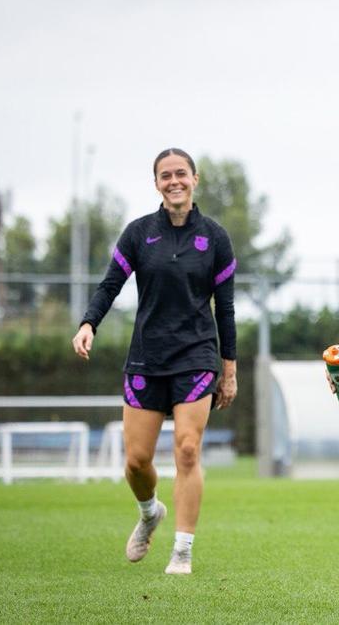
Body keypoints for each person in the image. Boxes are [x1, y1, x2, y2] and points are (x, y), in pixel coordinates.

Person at [72, 148, 238, 576]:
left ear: (195, 179)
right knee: (136, 461)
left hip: (197, 356)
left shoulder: (215, 238)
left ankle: (182, 550)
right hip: (147, 357)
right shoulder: (138, 233)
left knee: (187, 448)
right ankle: (149, 513)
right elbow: (111, 284)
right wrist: (89, 322)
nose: (174, 181)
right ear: (157, 184)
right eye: (165, 176)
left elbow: (228, 309)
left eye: (180, 173)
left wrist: (229, 370)